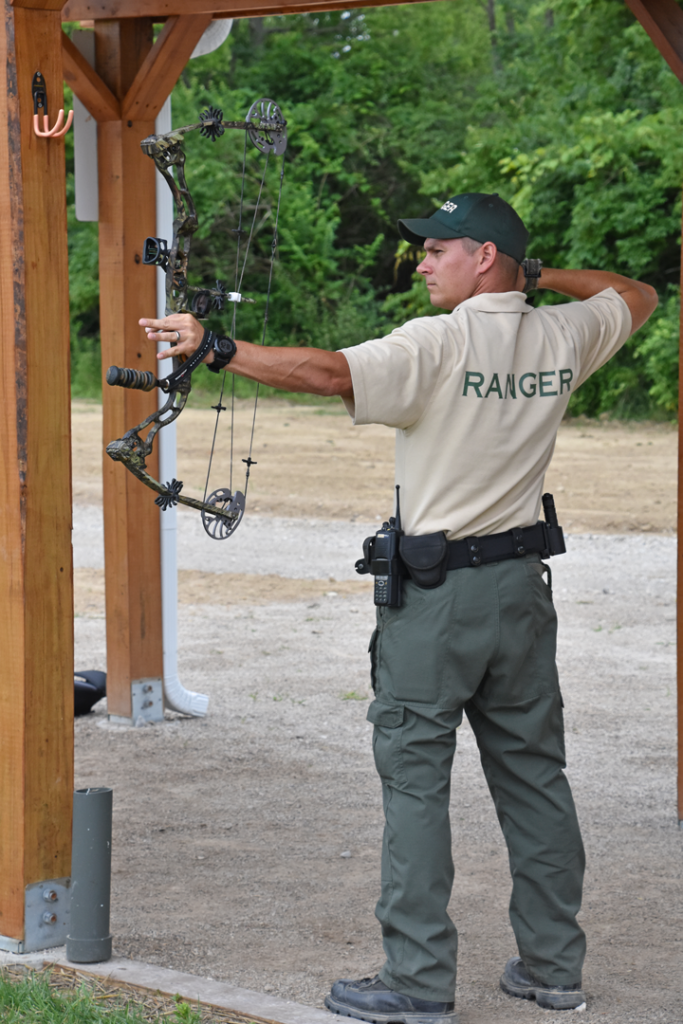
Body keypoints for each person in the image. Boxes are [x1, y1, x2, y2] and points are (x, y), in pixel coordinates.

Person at [141, 193, 657, 1020]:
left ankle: (416, 983)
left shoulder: (440, 341)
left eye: (437, 249)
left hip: (442, 596)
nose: (419, 261)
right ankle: (553, 968)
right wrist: (542, 276)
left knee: (415, 783)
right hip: (521, 591)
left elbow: (327, 373)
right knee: (534, 778)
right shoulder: (563, 333)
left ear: (483, 257)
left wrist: (217, 347)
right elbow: (637, 293)